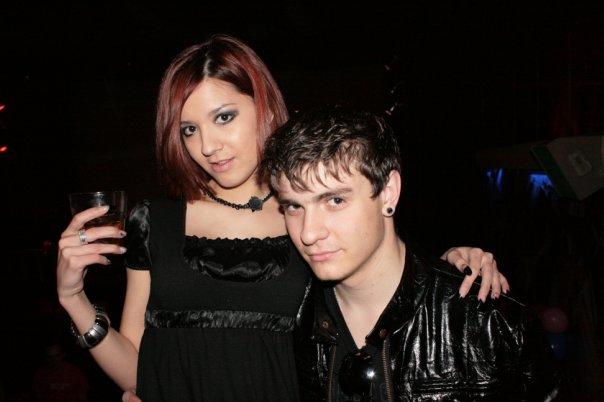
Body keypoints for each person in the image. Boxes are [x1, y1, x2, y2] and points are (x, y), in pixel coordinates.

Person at [56, 35, 509, 402]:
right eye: (189, 129)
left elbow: (382, 279)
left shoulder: (307, 219)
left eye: (224, 117)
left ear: (263, 105)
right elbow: (140, 374)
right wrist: (74, 298)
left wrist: (450, 266)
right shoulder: (154, 221)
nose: (207, 146)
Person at [262, 108, 558, 401]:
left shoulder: (490, 324)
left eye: (335, 200)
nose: (308, 233)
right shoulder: (289, 320)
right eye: (294, 206)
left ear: (388, 192)